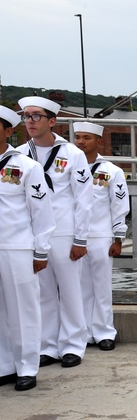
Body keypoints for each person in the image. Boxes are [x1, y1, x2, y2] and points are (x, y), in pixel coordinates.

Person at [16, 96, 92, 368]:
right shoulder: (20, 154)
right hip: (34, 235)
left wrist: (80, 238)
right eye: (26, 116)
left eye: (36, 116)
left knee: (71, 290)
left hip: (65, 232)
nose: (30, 121)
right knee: (43, 292)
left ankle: (73, 344)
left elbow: (84, 198)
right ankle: (48, 344)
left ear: (52, 121)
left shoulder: (73, 153)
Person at [0, 106, 55, 392]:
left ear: (9, 131)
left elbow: (42, 212)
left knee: (24, 309)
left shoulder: (26, 166)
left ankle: (27, 366)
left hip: (17, 247)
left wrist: (41, 250)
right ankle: (4, 364)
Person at [73, 122, 129, 351]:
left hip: (102, 236)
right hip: (76, 237)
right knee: (80, 287)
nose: (81, 142)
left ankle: (105, 332)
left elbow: (119, 205)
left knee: (102, 287)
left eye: (87, 137)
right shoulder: (66, 169)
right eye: (77, 137)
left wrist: (118, 238)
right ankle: (84, 333)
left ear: (99, 141)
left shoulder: (111, 171)